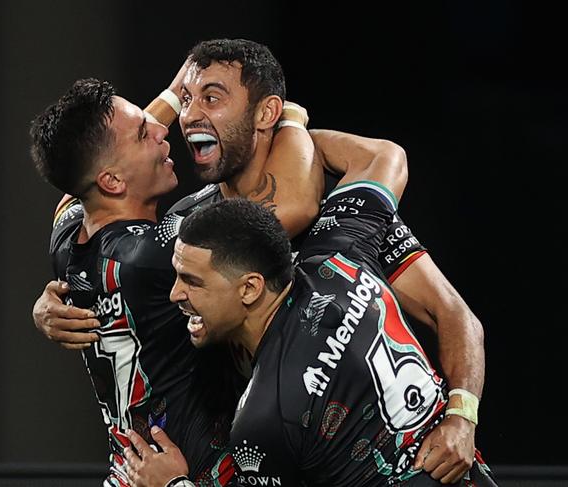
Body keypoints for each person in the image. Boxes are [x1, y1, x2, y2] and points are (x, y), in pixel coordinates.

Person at [33, 39, 486, 483]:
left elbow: (454, 315)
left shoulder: (338, 207)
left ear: (264, 112)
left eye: (211, 98)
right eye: (187, 99)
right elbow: (91, 195)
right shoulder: (190, 230)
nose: (185, 117)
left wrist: (462, 417)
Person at [121, 151, 498, 486]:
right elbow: (380, 157)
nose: (175, 294)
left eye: (191, 281)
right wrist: (280, 132)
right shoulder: (340, 254)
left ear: (250, 288)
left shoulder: (264, 419)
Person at [29, 72, 321, 485]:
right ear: (112, 181)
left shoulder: (67, 235)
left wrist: (179, 87)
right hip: (190, 475)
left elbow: (82, 170)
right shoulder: (158, 254)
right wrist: (284, 116)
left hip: (127, 474)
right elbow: (295, 203)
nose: (162, 127)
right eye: (143, 134)